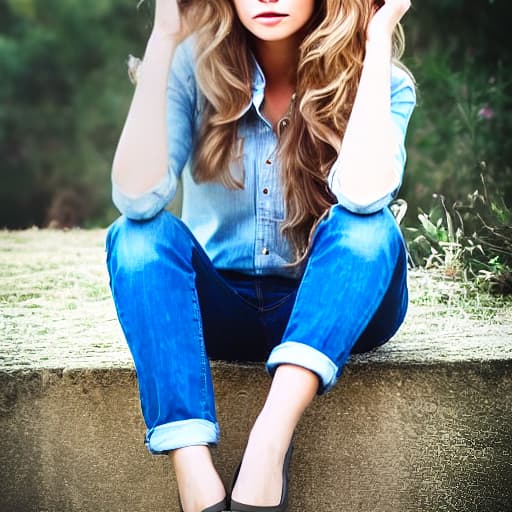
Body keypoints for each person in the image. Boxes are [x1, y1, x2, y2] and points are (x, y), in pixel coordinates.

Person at [106, 0, 415, 510]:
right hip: (224, 306)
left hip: (335, 302)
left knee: (370, 228)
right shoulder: (196, 68)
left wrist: (377, 33)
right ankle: (194, 477)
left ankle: (268, 447)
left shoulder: (382, 80)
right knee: (135, 237)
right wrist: (164, 38)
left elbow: (363, 197)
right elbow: (137, 199)